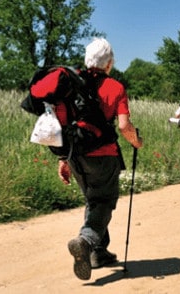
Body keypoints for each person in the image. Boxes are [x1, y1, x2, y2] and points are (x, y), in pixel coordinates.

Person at [58, 38, 143, 281]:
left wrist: (63, 159)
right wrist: (136, 141)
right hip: (103, 155)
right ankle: (85, 242)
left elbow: (62, 125)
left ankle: (99, 252)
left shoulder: (70, 85)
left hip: (75, 155)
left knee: (92, 201)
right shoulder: (115, 87)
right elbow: (124, 125)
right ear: (109, 63)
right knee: (103, 202)